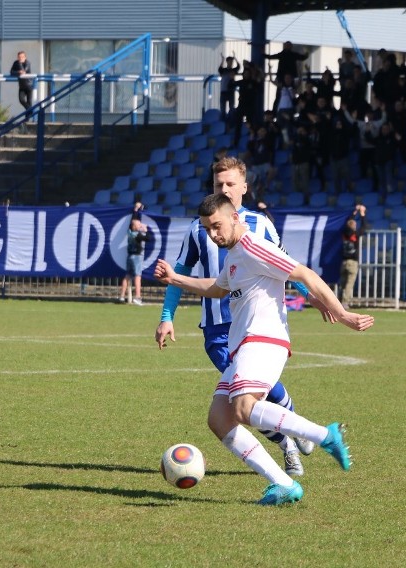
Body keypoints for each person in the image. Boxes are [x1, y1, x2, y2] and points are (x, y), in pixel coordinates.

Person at [154, 193, 374, 505]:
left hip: (264, 339)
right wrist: (176, 278)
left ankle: (325, 435)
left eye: (217, 226)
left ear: (235, 218)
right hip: (244, 344)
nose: (213, 234)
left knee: (244, 410)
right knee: (219, 419)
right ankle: (284, 484)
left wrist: (341, 312)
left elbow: (305, 274)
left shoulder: (253, 246)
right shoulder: (234, 256)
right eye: (207, 229)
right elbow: (217, 289)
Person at [155, 156, 320, 479]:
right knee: (240, 401)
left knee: (268, 393)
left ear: (244, 187)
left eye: (231, 184)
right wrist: (166, 316)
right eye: (219, 185)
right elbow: (180, 275)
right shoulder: (197, 230)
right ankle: (286, 446)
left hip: (256, 325)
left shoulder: (261, 226)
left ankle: (299, 429)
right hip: (218, 331)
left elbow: (289, 266)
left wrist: (312, 296)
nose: (225, 189)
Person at [339, 205, 367, 309]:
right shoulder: (355, 234)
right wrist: (362, 214)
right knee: (349, 284)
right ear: (354, 227)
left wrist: (354, 212)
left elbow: (347, 222)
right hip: (353, 262)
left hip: (344, 262)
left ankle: (339, 301)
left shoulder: (344, 233)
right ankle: (344, 302)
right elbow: (364, 227)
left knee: (342, 283)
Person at [118, 218, 150, 305]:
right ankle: (138, 297)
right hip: (137, 257)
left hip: (129, 256)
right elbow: (147, 238)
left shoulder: (129, 233)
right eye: (138, 225)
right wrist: (146, 230)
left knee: (127, 276)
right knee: (137, 276)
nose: (140, 226)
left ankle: (121, 296)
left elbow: (131, 224)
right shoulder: (137, 235)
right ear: (134, 226)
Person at [217, 52, 241, 120]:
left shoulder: (233, 70)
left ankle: (231, 121)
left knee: (231, 108)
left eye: (232, 62)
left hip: (231, 91)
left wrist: (235, 57)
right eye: (230, 61)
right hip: (223, 91)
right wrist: (222, 60)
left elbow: (239, 66)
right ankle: (223, 122)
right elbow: (219, 69)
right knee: (223, 109)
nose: (231, 63)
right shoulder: (224, 70)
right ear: (227, 62)